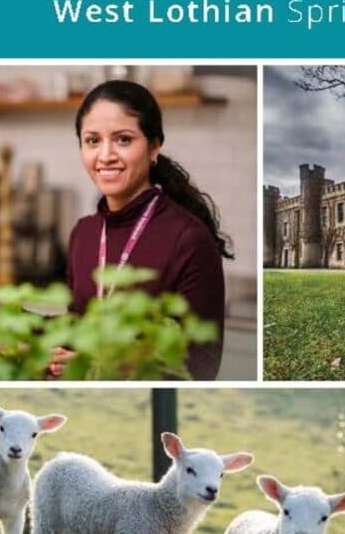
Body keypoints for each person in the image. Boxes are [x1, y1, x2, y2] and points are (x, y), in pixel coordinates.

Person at [63, 79, 231, 380]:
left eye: (123, 139)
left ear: (153, 147)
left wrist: (102, 368)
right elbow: (74, 329)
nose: (105, 155)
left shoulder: (189, 239)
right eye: (92, 140)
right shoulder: (83, 233)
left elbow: (202, 364)